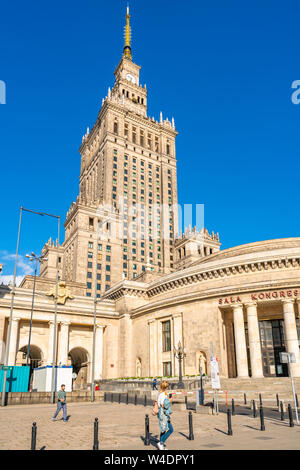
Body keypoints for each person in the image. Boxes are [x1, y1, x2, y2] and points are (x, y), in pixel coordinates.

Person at [157, 381, 173, 450]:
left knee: (163, 429)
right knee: (170, 429)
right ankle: (161, 442)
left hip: (164, 414)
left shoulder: (163, 394)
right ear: (166, 387)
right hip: (164, 414)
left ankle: (161, 444)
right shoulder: (163, 395)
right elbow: (163, 405)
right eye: (167, 386)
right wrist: (170, 400)